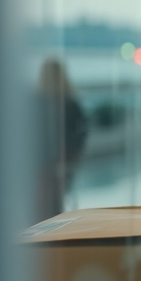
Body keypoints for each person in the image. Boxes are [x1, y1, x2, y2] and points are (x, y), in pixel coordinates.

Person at [36, 58, 88, 222]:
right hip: (63, 162)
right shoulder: (71, 104)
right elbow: (80, 136)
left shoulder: (38, 102)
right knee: (53, 202)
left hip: (43, 162)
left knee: (42, 203)